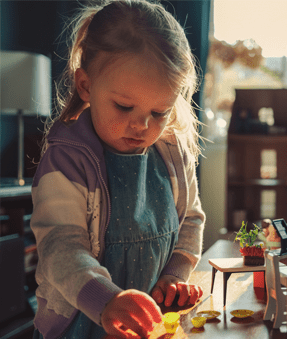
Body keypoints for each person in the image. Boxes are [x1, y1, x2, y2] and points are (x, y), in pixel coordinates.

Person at [30, 1, 205, 338]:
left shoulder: (172, 149)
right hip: (79, 325)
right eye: (124, 106)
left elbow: (191, 220)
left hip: (150, 325)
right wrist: (105, 300)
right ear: (86, 86)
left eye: (159, 112)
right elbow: (60, 248)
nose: (141, 125)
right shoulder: (66, 159)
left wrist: (175, 273)